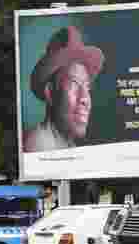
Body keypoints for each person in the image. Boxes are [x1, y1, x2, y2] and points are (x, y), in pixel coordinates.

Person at [23, 25, 105, 153]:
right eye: (74, 84)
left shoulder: (66, 145)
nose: (85, 99)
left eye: (87, 87)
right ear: (50, 93)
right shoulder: (37, 147)